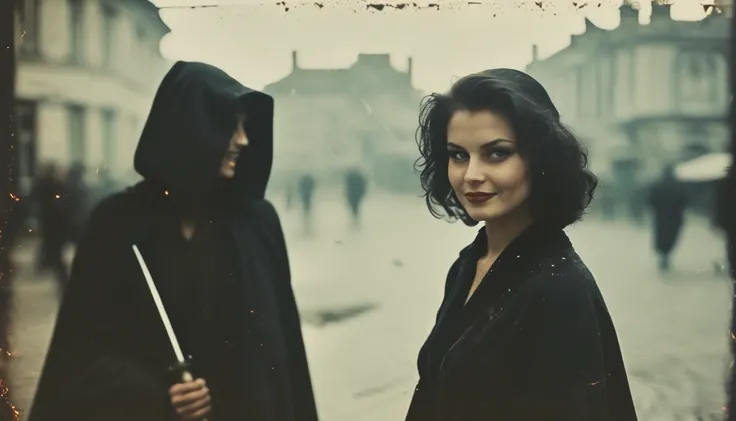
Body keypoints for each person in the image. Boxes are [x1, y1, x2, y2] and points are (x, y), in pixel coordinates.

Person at [27, 62, 319, 421]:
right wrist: (156, 397)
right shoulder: (116, 223)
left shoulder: (258, 223)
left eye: (245, 126)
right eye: (231, 125)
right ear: (190, 130)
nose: (243, 139)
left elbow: (283, 357)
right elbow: (80, 354)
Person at [406, 69, 638, 421]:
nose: (471, 175)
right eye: (458, 155)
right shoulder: (468, 263)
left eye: (497, 154)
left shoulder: (558, 288)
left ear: (541, 159)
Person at [648, 165, 689, 272]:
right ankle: (666, 256)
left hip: (661, 217)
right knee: (670, 237)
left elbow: (651, 200)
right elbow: (684, 201)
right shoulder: (678, 186)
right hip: (674, 217)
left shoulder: (658, 185)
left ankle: (663, 256)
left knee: (662, 237)